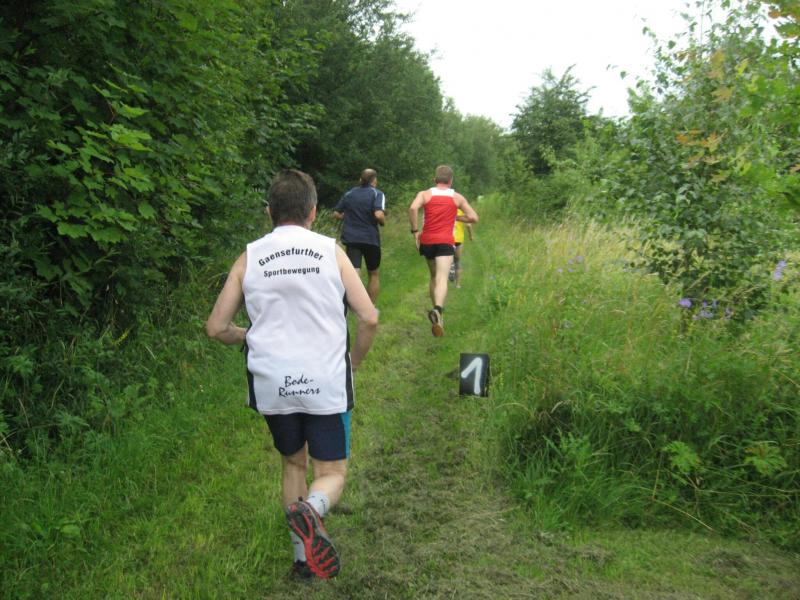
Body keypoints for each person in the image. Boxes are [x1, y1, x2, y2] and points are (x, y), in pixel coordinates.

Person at [206, 169, 379, 581]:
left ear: (269, 211)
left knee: (293, 464)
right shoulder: (331, 251)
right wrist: (353, 361)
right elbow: (369, 317)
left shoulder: (250, 256)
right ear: (313, 211)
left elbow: (215, 328)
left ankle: (303, 562)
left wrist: (246, 335)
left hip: (272, 383)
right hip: (325, 380)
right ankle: (313, 510)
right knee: (332, 473)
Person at [408, 165, 478, 336]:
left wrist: (415, 231)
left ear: (435, 179)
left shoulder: (425, 194)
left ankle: (438, 316)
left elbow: (413, 208)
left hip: (427, 241)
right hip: (445, 242)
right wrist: (456, 216)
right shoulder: (457, 197)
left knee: (433, 276)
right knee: (442, 278)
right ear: (451, 181)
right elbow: (473, 218)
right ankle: (438, 309)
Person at [333, 168, 386, 303]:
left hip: (352, 238)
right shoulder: (377, 193)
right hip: (370, 239)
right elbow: (378, 214)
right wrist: (382, 222)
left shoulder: (349, 194)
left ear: (360, 180)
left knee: (354, 273)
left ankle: (352, 303)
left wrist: (347, 216)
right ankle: (370, 307)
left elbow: (336, 214)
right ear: (374, 180)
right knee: (373, 274)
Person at [450, 207, 474, 289]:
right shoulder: (462, 211)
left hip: (447, 238)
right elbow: (469, 225)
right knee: (457, 261)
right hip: (458, 239)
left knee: (445, 259)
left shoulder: (446, 209)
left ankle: (450, 267)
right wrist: (471, 236)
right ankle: (457, 284)